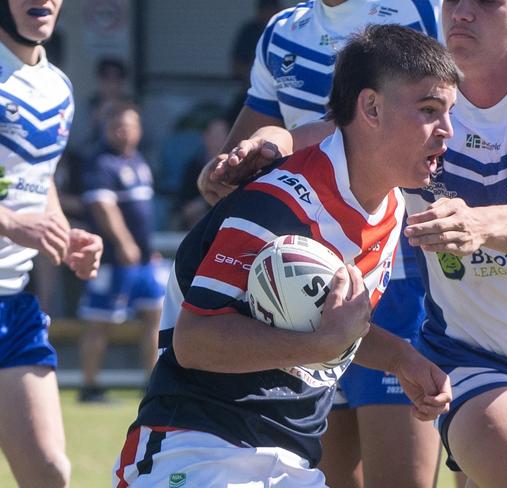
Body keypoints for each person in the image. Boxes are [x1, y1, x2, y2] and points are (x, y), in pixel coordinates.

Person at [208, 1, 507, 485]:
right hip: (469, 355)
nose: (461, 12)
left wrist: (482, 225)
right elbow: (329, 135)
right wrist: (265, 147)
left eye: (485, 1)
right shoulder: (422, 104)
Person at [113, 24, 458, 487]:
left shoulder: (392, 206)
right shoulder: (278, 201)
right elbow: (195, 341)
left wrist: (401, 359)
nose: (448, 132)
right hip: (197, 451)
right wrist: (320, 346)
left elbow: (330, 325)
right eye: (429, 111)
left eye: (449, 113)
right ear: (371, 107)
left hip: (293, 463)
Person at [0, 1, 104, 486]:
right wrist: (11, 224)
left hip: (13, 302)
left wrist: (64, 234)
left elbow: (39, 181)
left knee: (49, 473)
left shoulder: (58, 86)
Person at [77, 102, 165, 403]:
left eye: (128, 125)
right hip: (113, 261)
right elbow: (104, 207)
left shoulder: (139, 161)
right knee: (99, 320)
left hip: (143, 262)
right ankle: (90, 387)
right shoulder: (101, 163)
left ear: (139, 130)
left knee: (155, 314)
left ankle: (152, 383)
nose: (122, 131)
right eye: (116, 126)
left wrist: (147, 250)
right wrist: (124, 242)